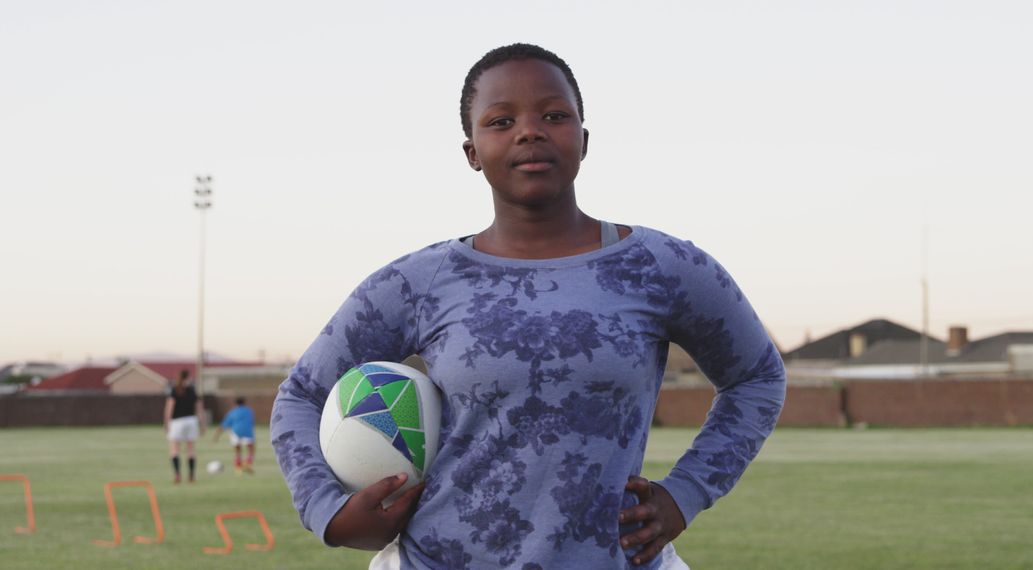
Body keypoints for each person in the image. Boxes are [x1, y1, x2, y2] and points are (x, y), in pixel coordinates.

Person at [271, 43, 786, 569]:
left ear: (583, 140)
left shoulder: (661, 265)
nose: (529, 131)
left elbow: (758, 377)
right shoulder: (418, 282)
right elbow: (303, 394)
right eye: (500, 121)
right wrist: (328, 512)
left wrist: (687, 492)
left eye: (554, 115)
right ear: (471, 151)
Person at [164, 369, 204, 484]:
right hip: (191, 421)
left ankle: (177, 474)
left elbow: (169, 408)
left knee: (174, 449)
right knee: (191, 449)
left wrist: (166, 423)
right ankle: (191, 475)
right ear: (188, 377)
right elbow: (199, 408)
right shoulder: (192, 391)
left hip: (177, 422)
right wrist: (202, 424)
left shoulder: (174, 390)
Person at [214, 396, 256, 475]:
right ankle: (248, 463)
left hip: (236, 432)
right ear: (244, 403)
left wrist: (216, 436)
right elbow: (252, 421)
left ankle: (238, 468)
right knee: (251, 449)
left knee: (238, 451)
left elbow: (224, 425)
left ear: (236, 404)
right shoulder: (249, 411)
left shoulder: (233, 412)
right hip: (247, 432)